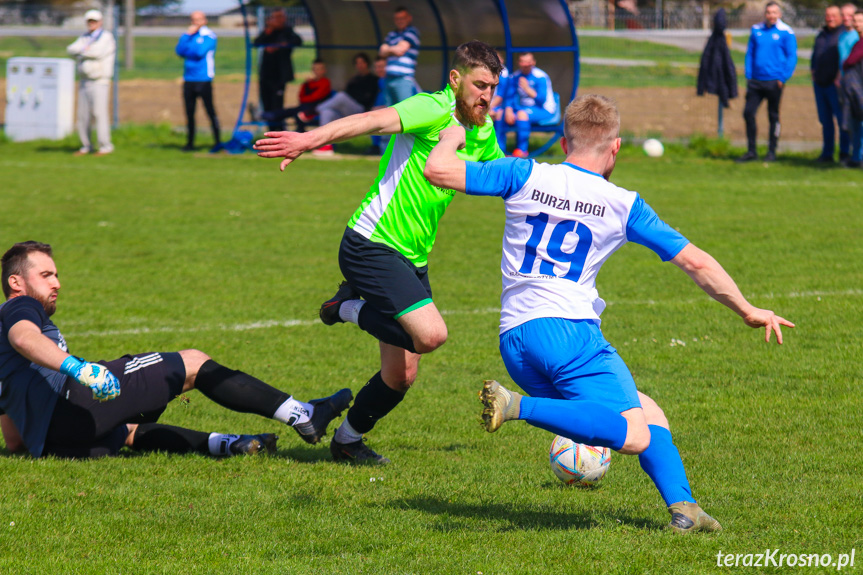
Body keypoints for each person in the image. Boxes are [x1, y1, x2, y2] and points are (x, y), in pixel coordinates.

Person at [423, 94, 794, 533]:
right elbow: (696, 262)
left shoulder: (524, 172)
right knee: (633, 434)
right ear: (615, 147)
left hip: (516, 338)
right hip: (570, 335)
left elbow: (437, 170)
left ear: (564, 143)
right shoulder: (624, 203)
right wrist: (747, 309)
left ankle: (685, 508)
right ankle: (515, 405)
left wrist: (450, 136)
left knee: (647, 412)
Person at [253, 41, 504, 465]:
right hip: (371, 244)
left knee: (400, 375)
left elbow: (504, 178)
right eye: (480, 85)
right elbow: (370, 120)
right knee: (430, 335)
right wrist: (309, 139)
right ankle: (347, 305)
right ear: (455, 80)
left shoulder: (482, 132)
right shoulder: (431, 109)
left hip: (413, 257)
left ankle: (347, 441)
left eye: (493, 88)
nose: (486, 95)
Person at [0, 241, 352, 459]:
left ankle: (232, 444)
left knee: (126, 431)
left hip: (54, 443)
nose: (57, 283)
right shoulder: (18, 308)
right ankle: (303, 414)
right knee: (192, 363)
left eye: (56, 274)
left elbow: (13, 441)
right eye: (46, 275)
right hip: (72, 404)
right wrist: (80, 369)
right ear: (16, 282)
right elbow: (25, 339)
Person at [738, 2, 797, 163]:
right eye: (769, 12)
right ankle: (751, 151)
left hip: (774, 82)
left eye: (774, 12)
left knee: (773, 116)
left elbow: (792, 56)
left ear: (780, 14)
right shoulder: (756, 30)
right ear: (765, 14)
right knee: (748, 113)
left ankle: (772, 151)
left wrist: (782, 78)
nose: (771, 15)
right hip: (756, 81)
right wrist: (749, 75)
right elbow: (750, 53)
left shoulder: (786, 32)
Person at [66, 9, 115, 156]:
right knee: (83, 116)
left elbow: (96, 52)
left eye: (94, 21)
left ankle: (105, 145)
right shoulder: (84, 37)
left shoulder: (106, 37)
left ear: (100, 22)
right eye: (89, 21)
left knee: (99, 114)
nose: (91, 24)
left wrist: (81, 51)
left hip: (99, 80)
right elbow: (70, 49)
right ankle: (86, 145)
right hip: (84, 80)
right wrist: (84, 49)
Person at [313, 53, 379, 155]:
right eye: (357, 63)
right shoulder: (354, 80)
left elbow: (367, 99)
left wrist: (352, 98)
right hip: (347, 111)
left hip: (362, 111)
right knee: (327, 112)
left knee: (341, 97)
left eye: (362, 62)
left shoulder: (373, 79)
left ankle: (315, 111)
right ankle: (324, 146)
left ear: (367, 64)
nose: (360, 65)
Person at [175, 11, 221, 153]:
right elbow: (179, 51)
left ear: (205, 20)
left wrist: (189, 47)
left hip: (204, 79)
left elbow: (199, 52)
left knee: (210, 111)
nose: (196, 23)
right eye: (193, 20)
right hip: (188, 79)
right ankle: (190, 143)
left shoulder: (209, 36)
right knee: (189, 113)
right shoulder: (188, 35)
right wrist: (187, 37)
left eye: (199, 19)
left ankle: (217, 142)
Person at [253, 9, 303, 131]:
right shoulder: (268, 32)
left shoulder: (287, 31)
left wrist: (280, 46)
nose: (276, 20)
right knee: (267, 105)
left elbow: (298, 41)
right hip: (266, 75)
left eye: (279, 17)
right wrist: (268, 30)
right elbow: (257, 42)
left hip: (279, 77)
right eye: (274, 17)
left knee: (277, 106)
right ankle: (270, 134)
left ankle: (279, 133)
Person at [811, 5, 848, 163]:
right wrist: (813, 71)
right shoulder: (821, 34)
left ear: (840, 17)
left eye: (833, 15)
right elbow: (815, 55)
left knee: (842, 121)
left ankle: (845, 153)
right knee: (825, 121)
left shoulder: (844, 35)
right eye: (827, 15)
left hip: (835, 86)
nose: (830, 18)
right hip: (820, 85)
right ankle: (827, 153)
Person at [505, 52, 558, 158]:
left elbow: (541, 100)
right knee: (500, 114)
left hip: (544, 109)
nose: (525, 65)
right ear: (519, 63)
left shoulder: (540, 76)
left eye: (528, 62)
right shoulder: (515, 77)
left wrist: (527, 88)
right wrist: (508, 110)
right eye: (523, 62)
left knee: (522, 114)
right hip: (524, 109)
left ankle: (522, 151)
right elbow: (509, 97)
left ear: (533, 62)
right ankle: (500, 150)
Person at [261, 59, 331, 134]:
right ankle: (266, 116)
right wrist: (308, 85)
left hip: (315, 108)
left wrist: (306, 96)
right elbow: (301, 96)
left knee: (296, 113)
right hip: (304, 106)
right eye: (315, 69)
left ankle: (267, 116)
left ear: (324, 70)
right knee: (289, 111)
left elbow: (316, 96)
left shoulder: (325, 82)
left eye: (320, 69)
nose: (317, 71)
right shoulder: (308, 83)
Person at [379, 6, 421, 105]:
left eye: (402, 18)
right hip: (389, 78)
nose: (400, 21)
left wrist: (388, 49)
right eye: (397, 19)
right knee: (389, 112)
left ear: (409, 18)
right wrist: (394, 49)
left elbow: (400, 50)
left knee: (404, 110)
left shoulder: (412, 32)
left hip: (403, 79)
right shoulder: (392, 34)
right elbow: (381, 52)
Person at [840, 10, 863, 168]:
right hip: (855, 90)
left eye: (859, 21)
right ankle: (856, 158)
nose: (856, 24)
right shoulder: (858, 43)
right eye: (854, 21)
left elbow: (850, 61)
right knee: (855, 125)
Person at [490, 51, 513, 153]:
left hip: (499, 107)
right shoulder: (488, 72)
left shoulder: (504, 74)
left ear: (502, 60)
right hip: (489, 105)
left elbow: (500, 97)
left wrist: (488, 109)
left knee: (498, 115)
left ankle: (500, 149)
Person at [367, 56, 389, 156]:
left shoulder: (392, 83)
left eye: (381, 67)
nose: (378, 70)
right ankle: (376, 146)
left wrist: (379, 108)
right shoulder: (381, 81)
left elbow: (400, 102)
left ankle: (379, 148)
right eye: (376, 67)